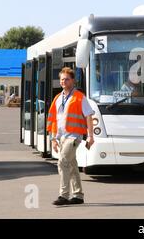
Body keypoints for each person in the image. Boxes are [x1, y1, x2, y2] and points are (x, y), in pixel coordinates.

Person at [46, 67, 95, 206]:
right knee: (72, 165)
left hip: (74, 136)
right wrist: (53, 139)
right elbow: (54, 120)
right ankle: (78, 195)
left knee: (62, 162)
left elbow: (89, 116)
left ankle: (64, 195)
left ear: (73, 80)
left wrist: (90, 136)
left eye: (66, 79)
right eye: (62, 79)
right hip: (61, 137)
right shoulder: (57, 98)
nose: (63, 81)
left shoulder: (79, 97)